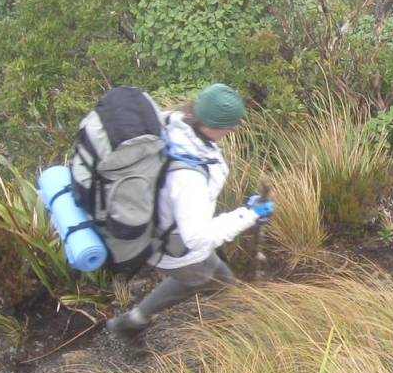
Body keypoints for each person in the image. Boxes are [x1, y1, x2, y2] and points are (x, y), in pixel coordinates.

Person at [105, 83, 274, 348]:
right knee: (222, 286)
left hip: (159, 235)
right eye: (232, 126)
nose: (234, 131)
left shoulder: (173, 125)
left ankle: (134, 320)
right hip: (178, 248)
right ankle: (238, 341)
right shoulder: (187, 177)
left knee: (201, 278)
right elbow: (197, 237)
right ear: (216, 125)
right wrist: (249, 214)